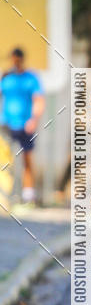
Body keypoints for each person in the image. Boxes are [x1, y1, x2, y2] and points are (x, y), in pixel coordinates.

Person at [0, 47, 45, 204]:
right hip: (6, 124)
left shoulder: (31, 78)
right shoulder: (6, 78)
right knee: (5, 159)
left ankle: (28, 195)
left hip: (25, 124)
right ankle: (6, 194)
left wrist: (33, 120)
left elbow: (39, 100)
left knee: (27, 159)